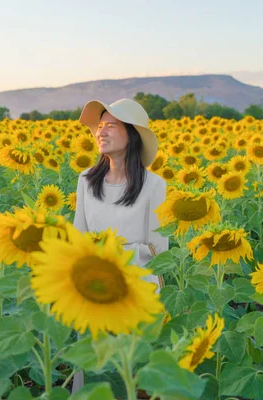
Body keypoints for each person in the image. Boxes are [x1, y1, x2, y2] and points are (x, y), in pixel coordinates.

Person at [71, 98, 168, 394]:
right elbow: (79, 238)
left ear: (132, 135)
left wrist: (109, 253)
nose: (102, 132)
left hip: (135, 290)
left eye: (111, 125)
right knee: (94, 368)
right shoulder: (86, 180)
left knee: (130, 373)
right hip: (93, 288)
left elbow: (158, 250)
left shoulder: (154, 185)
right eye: (100, 126)